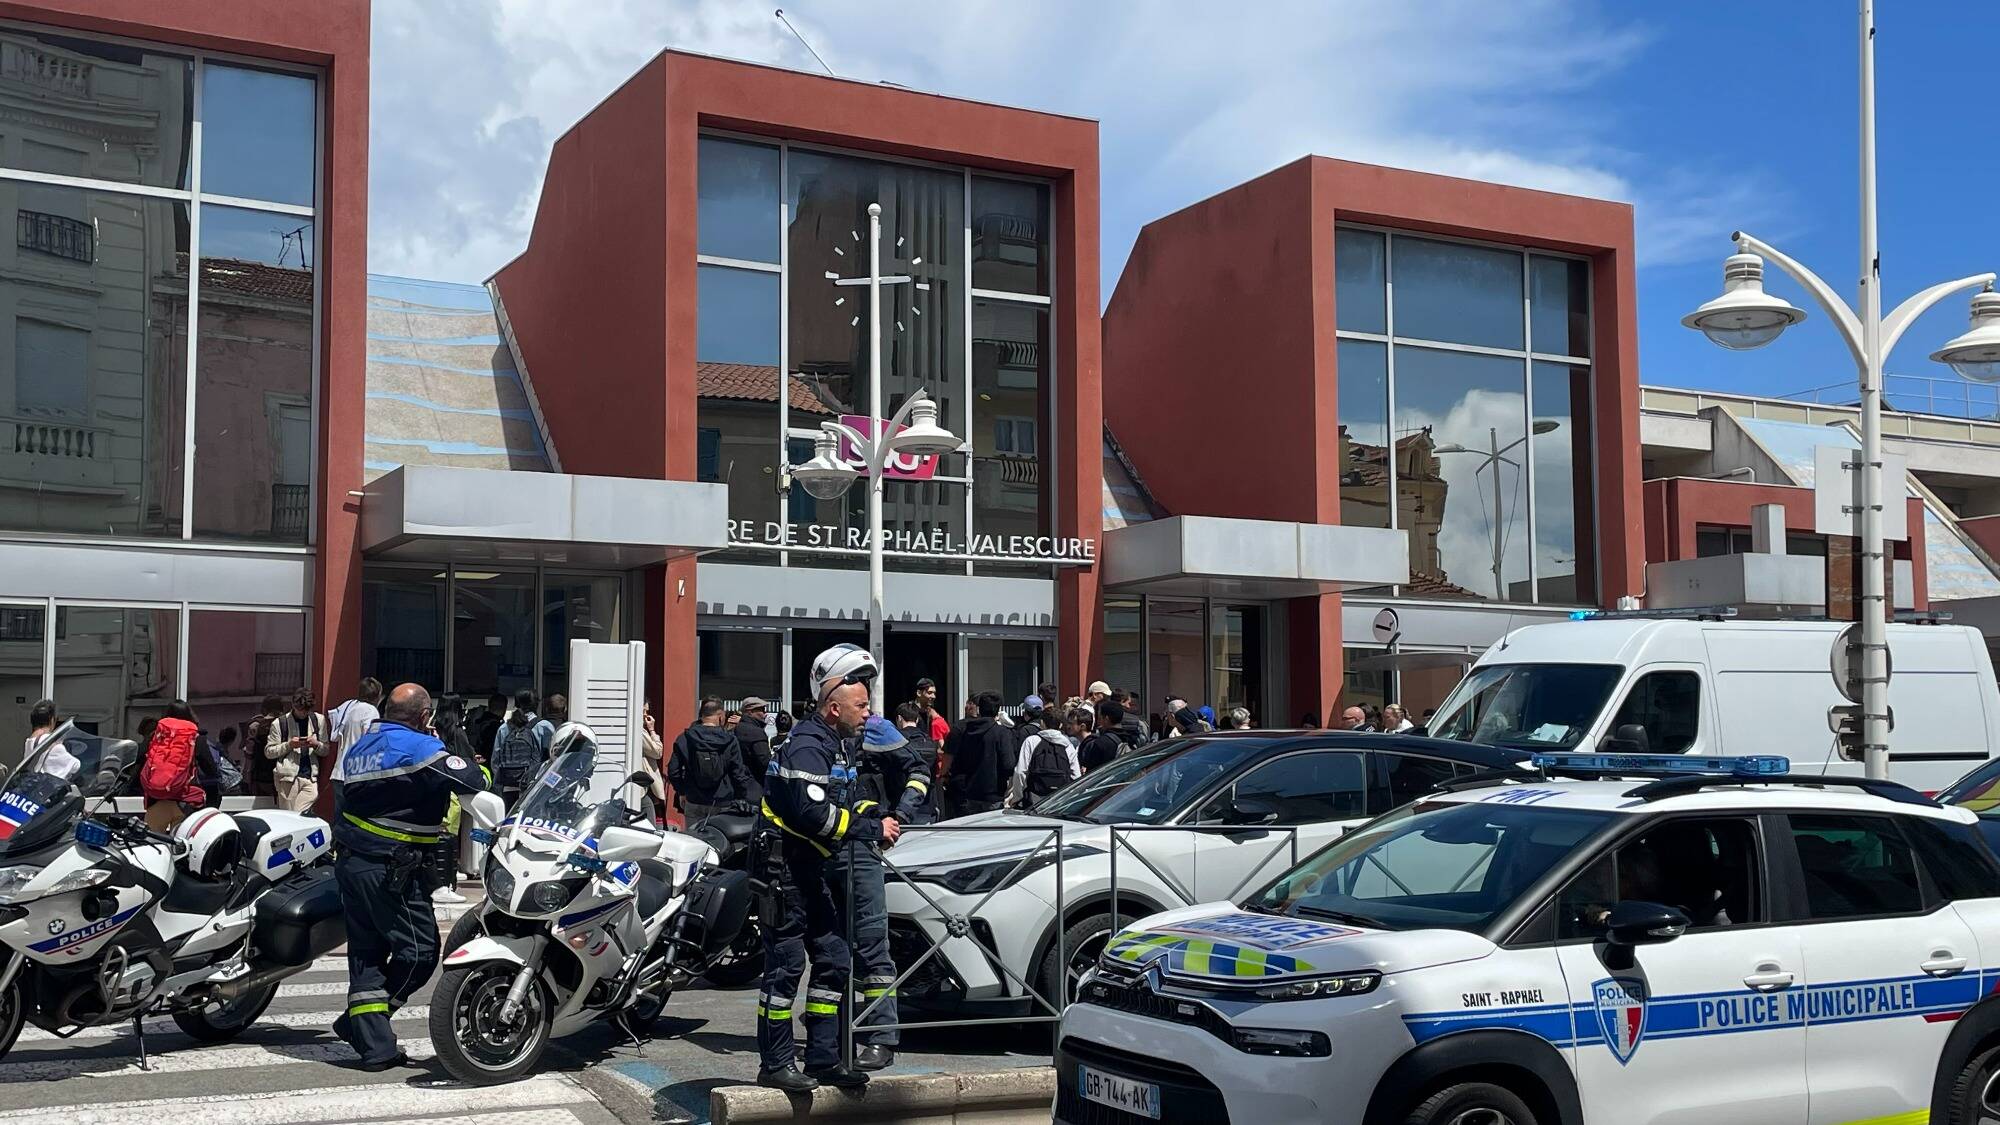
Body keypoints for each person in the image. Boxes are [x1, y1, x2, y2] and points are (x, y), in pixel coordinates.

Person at [756, 643, 901, 1091]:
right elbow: (812, 814)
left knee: (835, 956)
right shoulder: (807, 745)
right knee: (785, 967)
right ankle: (776, 1063)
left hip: (806, 869)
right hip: (783, 871)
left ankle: (823, 1058)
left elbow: (842, 803)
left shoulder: (836, 746)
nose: (869, 711)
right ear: (833, 706)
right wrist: (871, 830)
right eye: (861, 704)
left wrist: (869, 815)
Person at [333, 683, 488, 1071]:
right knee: (418, 953)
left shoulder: (361, 748)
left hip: (353, 863)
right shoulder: (418, 747)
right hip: (391, 868)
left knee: (367, 953)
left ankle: (375, 1047)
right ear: (424, 716)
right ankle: (363, 1024)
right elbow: (474, 781)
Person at [840, 713, 931, 1067]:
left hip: (864, 849)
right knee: (830, 949)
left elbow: (919, 772)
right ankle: (834, 1035)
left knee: (872, 944)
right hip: (827, 849)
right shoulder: (817, 733)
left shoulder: (876, 728)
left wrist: (901, 815)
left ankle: (882, 1036)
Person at [669, 698, 753, 823]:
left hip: (694, 799)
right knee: (719, 840)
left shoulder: (685, 738)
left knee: (694, 840)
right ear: (720, 716)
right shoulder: (730, 740)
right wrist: (741, 797)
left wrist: (682, 792)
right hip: (722, 800)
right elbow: (738, 773)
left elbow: (673, 770)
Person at [429, 695, 479, 904]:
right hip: (454, 789)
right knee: (449, 837)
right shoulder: (457, 732)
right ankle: (447, 880)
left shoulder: (432, 728)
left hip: (437, 785)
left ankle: (444, 877)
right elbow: (465, 756)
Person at [943, 691, 1013, 817]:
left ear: (979, 709)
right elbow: (1008, 765)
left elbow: (950, 756)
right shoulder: (1001, 733)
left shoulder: (962, 729)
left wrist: (944, 776)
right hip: (993, 794)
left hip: (966, 793)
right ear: (998, 711)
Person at [265, 688, 329, 813]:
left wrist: (315, 744)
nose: (303, 713)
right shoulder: (280, 723)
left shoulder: (318, 720)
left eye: (306, 710)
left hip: (310, 777)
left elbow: (326, 750)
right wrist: (289, 745)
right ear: (293, 705)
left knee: (299, 813)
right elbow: (269, 752)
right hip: (287, 778)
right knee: (290, 818)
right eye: (300, 710)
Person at [1010, 705, 1085, 809]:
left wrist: (1017, 798)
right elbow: (1076, 776)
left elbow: (1020, 772)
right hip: (1060, 801)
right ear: (1060, 725)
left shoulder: (1031, 741)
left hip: (1033, 800)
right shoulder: (1067, 745)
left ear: (1042, 723)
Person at [490, 688, 554, 807]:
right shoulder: (544, 727)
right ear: (536, 704)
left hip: (508, 787)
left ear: (516, 704)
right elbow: (552, 758)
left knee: (509, 823)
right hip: (533, 787)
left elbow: (495, 761)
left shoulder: (504, 728)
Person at [327, 677, 385, 784]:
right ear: (377, 696)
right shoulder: (371, 711)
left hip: (339, 773)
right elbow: (370, 739)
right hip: (356, 774)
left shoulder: (349, 707)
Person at [890, 702, 939, 822]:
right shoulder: (930, 741)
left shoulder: (895, 742)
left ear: (899, 719)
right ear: (917, 719)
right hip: (927, 806)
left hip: (901, 807)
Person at [245, 695, 285, 805]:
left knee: (261, 808)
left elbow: (249, 753)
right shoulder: (287, 725)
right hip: (283, 775)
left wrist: (247, 776)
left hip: (261, 776)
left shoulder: (256, 726)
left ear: (264, 709)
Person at [1080, 700, 1137, 773]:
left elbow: (1092, 773)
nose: (1099, 721)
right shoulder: (1130, 738)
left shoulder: (1101, 743)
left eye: (1100, 717)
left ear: (1106, 719)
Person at [736, 696, 773, 801]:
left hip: (737, 786)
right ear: (750, 712)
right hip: (754, 788)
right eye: (761, 710)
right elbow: (765, 762)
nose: (764, 713)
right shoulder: (756, 732)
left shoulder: (736, 729)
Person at [639, 699, 667, 825]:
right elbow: (657, 751)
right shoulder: (640, 731)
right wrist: (652, 730)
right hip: (641, 788)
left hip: (639, 784)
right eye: (644, 710)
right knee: (649, 819)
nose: (646, 715)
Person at [468, 693, 508, 773]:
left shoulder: (477, 723)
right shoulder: (498, 727)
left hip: (474, 765)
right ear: (504, 709)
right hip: (490, 768)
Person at [913, 678, 951, 744]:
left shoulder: (932, 713)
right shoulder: (909, 712)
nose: (933, 696)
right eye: (929, 693)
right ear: (919, 693)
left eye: (934, 693)